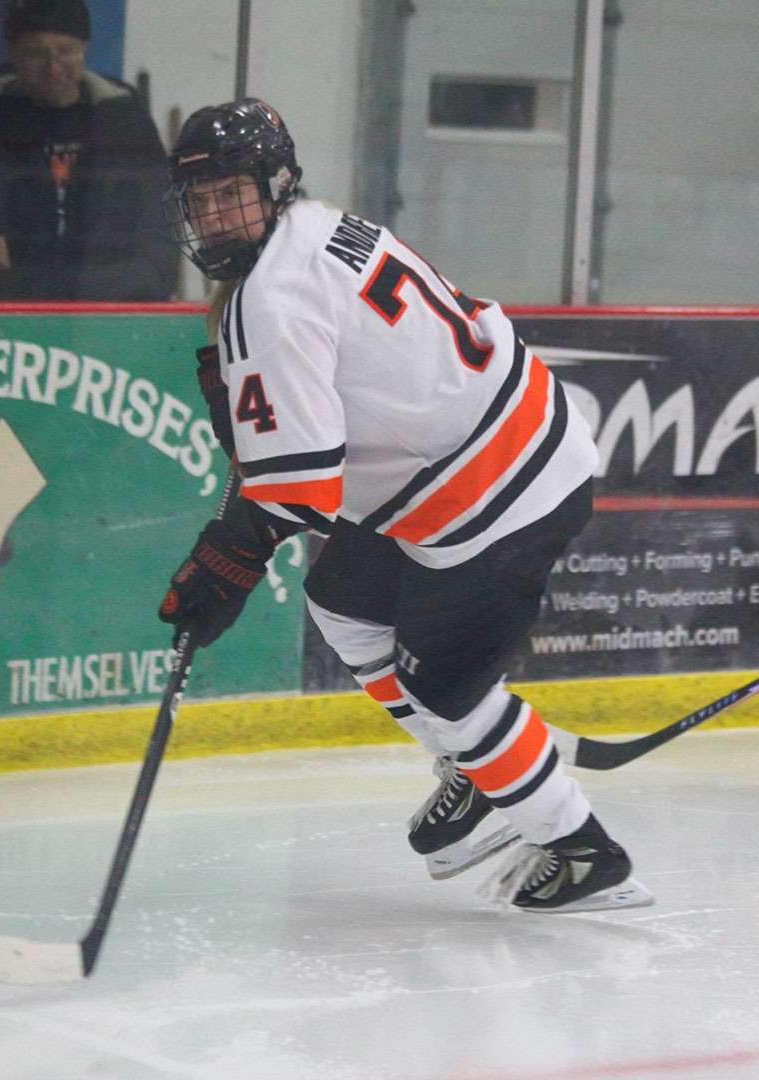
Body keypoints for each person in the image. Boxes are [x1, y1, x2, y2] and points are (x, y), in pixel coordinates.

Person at [154, 98, 651, 913]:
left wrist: (227, 559)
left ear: (274, 185)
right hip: (512, 441)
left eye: (230, 193)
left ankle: (581, 850)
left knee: (449, 692)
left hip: (494, 499)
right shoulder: (315, 226)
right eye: (198, 200)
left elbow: (303, 492)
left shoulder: (267, 300)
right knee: (342, 601)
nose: (213, 216)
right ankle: (480, 766)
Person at [0, 0, 175, 300]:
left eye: (65, 51)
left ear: (85, 48)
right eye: (35, 54)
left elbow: (159, 256)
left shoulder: (128, 133)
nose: (53, 68)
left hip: (102, 330)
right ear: (12, 53)